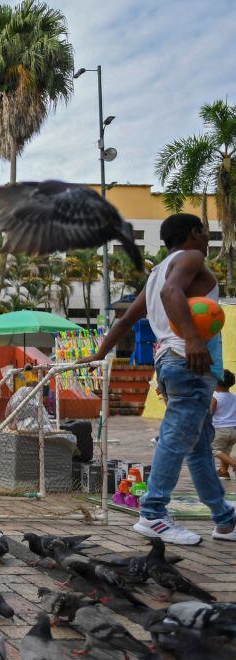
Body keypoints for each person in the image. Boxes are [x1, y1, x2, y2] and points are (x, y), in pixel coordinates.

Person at [87, 213, 235, 544]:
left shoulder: (157, 271)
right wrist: (194, 340)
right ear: (195, 232)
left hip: (170, 363)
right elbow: (172, 293)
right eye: (206, 233)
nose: (207, 240)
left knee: (198, 447)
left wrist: (100, 354)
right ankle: (153, 513)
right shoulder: (191, 257)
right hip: (188, 362)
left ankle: (225, 520)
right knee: (175, 438)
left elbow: (126, 320)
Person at [211, 369, 236, 480]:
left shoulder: (215, 397)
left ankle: (234, 463)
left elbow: (210, 412)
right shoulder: (234, 397)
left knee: (214, 449)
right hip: (234, 430)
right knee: (225, 451)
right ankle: (223, 472)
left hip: (220, 429)